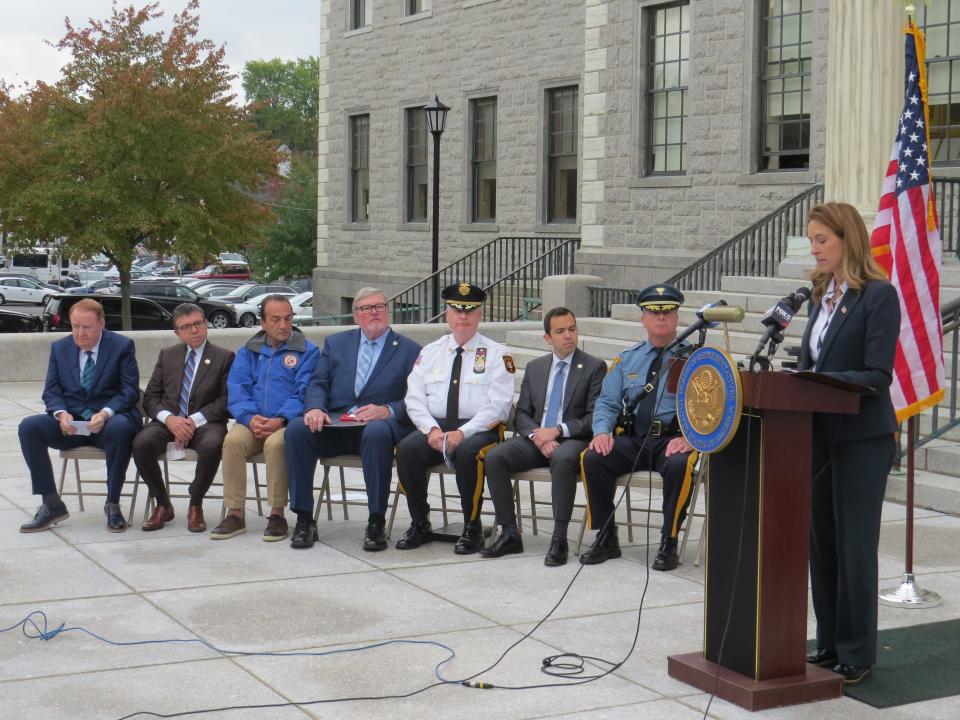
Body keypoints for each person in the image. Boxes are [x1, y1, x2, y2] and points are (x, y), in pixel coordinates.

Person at [799, 202, 900, 686]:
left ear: (847, 240)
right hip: (817, 436)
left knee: (854, 545)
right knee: (822, 542)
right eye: (812, 240)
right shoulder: (820, 296)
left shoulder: (879, 296)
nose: (814, 248)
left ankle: (859, 651)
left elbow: (878, 374)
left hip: (863, 437)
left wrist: (816, 381)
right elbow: (811, 362)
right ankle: (831, 640)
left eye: (822, 239)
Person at [285, 287, 421, 551]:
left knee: (377, 432)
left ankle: (376, 521)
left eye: (380, 307)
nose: (374, 313)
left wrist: (388, 410)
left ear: (388, 310)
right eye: (366, 308)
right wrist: (314, 408)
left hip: (377, 430)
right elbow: (318, 383)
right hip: (336, 425)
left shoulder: (409, 350)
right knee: (296, 430)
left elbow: (417, 399)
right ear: (355, 315)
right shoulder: (336, 344)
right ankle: (303, 518)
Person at [579, 283, 698, 571]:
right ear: (642, 318)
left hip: (672, 440)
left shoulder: (697, 359)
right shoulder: (627, 358)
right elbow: (607, 403)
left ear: (677, 317)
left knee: (679, 467)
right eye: (653, 312)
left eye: (667, 311)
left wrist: (693, 438)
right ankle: (607, 535)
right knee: (593, 457)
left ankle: (668, 542)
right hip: (634, 439)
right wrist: (602, 432)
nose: (661, 317)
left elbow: (714, 407)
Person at [479, 307, 606, 565]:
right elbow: (522, 413)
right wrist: (539, 436)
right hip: (536, 439)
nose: (568, 335)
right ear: (547, 338)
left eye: (572, 329)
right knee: (495, 457)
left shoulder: (594, 367)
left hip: (572, 440)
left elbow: (595, 417)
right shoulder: (537, 368)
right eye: (560, 331)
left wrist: (557, 432)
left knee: (561, 458)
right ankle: (510, 533)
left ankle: (559, 538)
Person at [395, 282, 514, 554]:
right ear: (446, 313)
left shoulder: (497, 355)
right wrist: (431, 430)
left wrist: (464, 433)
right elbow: (413, 398)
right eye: (456, 310)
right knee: (407, 450)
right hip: (437, 428)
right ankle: (420, 522)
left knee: (467, 453)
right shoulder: (430, 352)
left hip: (480, 430)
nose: (463, 316)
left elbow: (499, 406)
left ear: (480, 314)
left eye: (470, 311)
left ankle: (471, 527)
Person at [18, 298, 140, 533]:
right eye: (75, 326)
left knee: (121, 427)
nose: (80, 333)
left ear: (101, 324)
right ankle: (51, 503)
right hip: (71, 425)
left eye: (86, 327)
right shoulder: (60, 348)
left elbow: (129, 391)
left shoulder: (122, 346)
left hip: (108, 424)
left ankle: (112, 504)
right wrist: (61, 415)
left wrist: (105, 414)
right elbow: (51, 391)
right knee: (29, 427)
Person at [210, 295, 319, 541]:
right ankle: (235, 513)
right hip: (252, 420)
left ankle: (277, 514)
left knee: (276, 444)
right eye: (276, 320)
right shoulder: (248, 351)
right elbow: (237, 387)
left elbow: (304, 392)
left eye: (288, 318)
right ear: (263, 323)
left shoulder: (307, 351)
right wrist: (248, 418)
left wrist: (280, 419)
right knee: (233, 442)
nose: (283, 325)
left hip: (286, 422)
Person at [132, 303, 235, 533]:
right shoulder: (168, 355)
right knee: (141, 443)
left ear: (206, 325)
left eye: (198, 324)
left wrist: (193, 421)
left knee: (213, 446)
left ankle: (195, 502)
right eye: (186, 327)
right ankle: (163, 504)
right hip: (169, 421)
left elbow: (227, 401)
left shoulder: (224, 357)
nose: (194, 330)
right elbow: (150, 398)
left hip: (206, 423)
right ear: (177, 332)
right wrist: (170, 420)